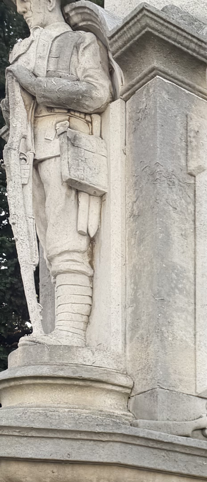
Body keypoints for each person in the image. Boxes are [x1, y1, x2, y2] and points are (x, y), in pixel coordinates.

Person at [6, 0, 113, 345]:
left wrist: (37, 86)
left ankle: (70, 333)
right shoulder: (21, 50)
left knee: (67, 241)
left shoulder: (78, 41)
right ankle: (57, 329)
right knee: (47, 245)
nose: (21, 9)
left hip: (64, 144)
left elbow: (98, 92)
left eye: (25, 1)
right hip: (28, 152)